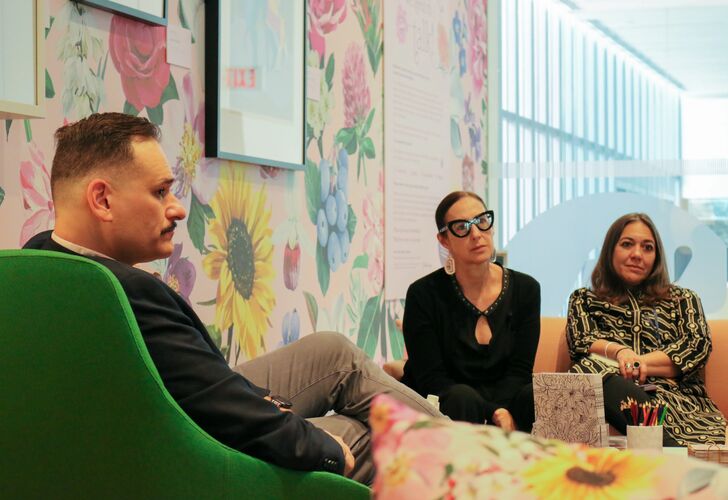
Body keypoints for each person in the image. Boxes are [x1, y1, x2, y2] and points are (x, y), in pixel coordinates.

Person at [24, 112, 441, 485]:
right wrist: (324, 449)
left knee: (332, 352)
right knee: (372, 433)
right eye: (160, 192)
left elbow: (199, 385)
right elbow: (222, 414)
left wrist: (262, 401)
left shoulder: (35, 261)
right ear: (102, 199)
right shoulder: (126, 292)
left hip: (143, 434)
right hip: (195, 461)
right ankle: (481, 467)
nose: (177, 209)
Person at [567, 212, 727, 445]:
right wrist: (620, 353)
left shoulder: (682, 299)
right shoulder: (585, 299)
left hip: (676, 402)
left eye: (647, 247)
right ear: (610, 249)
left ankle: (668, 449)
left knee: (595, 370)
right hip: (606, 396)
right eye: (627, 244)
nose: (637, 255)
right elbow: (582, 341)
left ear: (657, 256)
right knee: (584, 371)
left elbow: (696, 345)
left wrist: (637, 364)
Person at [400, 191, 540, 430]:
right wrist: (493, 411)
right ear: (444, 240)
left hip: (506, 396)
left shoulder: (526, 289)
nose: (476, 234)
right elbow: (432, 378)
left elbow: (520, 371)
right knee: (460, 397)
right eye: (462, 227)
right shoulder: (423, 294)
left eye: (482, 222)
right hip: (448, 400)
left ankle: (539, 465)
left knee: (533, 396)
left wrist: (502, 410)